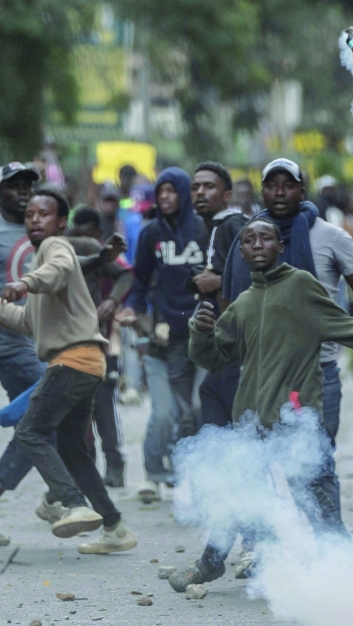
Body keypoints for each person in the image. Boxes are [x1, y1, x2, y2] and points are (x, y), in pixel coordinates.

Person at [169, 220, 353, 590]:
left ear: (279, 245)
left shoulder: (301, 286)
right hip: (250, 421)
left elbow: (348, 328)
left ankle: (350, 577)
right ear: (241, 252)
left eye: (265, 238)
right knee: (235, 492)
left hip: (297, 420)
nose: (257, 244)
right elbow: (213, 358)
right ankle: (210, 564)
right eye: (249, 240)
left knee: (318, 504)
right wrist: (201, 330)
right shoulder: (244, 302)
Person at [222, 158, 353, 536]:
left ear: (301, 190)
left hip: (317, 373)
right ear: (263, 191)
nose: (279, 192)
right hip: (261, 375)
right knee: (255, 464)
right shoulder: (249, 239)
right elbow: (233, 304)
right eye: (272, 185)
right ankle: (266, 552)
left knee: (315, 466)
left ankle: (332, 551)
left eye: (288, 185)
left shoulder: (332, 237)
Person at [0, 189, 137, 554]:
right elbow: (29, 322)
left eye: (43, 214)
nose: (34, 220)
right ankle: (115, 528)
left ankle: (71, 502)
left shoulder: (55, 249)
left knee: (30, 432)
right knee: (74, 450)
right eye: (29, 214)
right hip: (83, 362)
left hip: (73, 362)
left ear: (61, 222)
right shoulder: (40, 270)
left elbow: (58, 268)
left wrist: (24, 283)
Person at [120, 168, 209, 503]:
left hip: (201, 339)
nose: (166, 197)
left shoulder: (204, 229)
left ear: (184, 194)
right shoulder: (150, 233)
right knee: (164, 413)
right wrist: (132, 310)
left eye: (173, 191)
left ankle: (191, 474)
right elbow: (139, 281)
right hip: (160, 339)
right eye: (161, 191)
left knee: (196, 410)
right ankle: (153, 475)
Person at [71, 208, 133, 487]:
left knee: (104, 409)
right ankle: (87, 471)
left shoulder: (98, 253)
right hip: (65, 348)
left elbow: (126, 275)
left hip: (99, 346)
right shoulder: (53, 251)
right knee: (78, 415)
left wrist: (112, 302)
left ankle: (115, 464)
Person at [0, 163, 48, 505]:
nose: (23, 191)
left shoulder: (43, 231)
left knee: (44, 414)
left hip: (21, 339)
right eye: (14, 185)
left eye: (28, 185)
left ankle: (62, 496)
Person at [189, 162, 246, 428]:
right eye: (196, 187)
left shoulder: (234, 225)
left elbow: (258, 276)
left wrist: (218, 280)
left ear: (226, 196)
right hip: (224, 343)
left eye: (209, 186)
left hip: (240, 342)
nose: (200, 192)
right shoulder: (211, 227)